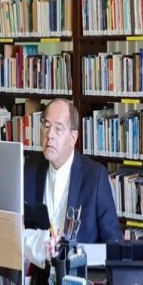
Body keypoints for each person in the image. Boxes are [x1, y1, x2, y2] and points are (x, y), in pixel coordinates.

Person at [23, 98, 121, 268]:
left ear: (73, 138)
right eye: (46, 126)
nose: (50, 135)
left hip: (81, 275)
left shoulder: (95, 176)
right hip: (39, 275)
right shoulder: (31, 167)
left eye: (58, 129)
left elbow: (113, 244)